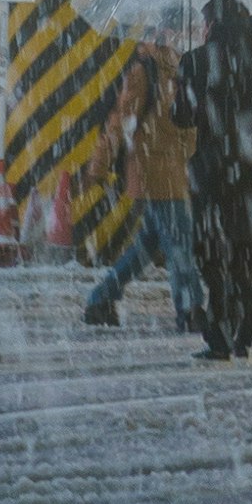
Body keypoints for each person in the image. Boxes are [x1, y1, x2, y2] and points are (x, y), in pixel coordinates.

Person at [180, 0, 252, 357]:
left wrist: (188, 90)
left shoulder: (196, 61)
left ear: (211, 24)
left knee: (213, 256)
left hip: (212, 176)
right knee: (244, 253)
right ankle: (246, 326)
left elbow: (180, 116)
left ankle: (222, 334)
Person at [79, 39, 201, 331]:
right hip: (154, 170)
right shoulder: (144, 71)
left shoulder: (181, 69)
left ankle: (100, 299)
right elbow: (120, 121)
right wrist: (97, 166)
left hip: (174, 169)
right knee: (180, 241)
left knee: (147, 245)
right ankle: (191, 309)